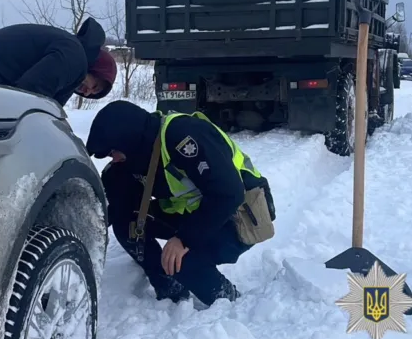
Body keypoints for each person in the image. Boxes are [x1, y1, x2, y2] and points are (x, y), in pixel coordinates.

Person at [85, 100, 276, 307]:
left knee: (181, 262)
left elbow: (228, 193)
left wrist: (183, 239)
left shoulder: (183, 136)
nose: (112, 158)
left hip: (241, 214)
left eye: (113, 151)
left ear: (128, 139)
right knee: (129, 224)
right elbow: (117, 208)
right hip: (198, 213)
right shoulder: (136, 156)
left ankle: (230, 304)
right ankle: (171, 288)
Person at [0, 18, 117, 106]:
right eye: (94, 85)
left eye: (94, 93)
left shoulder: (68, 49)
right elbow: (29, 97)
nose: (87, 93)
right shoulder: (74, 56)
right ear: (93, 67)